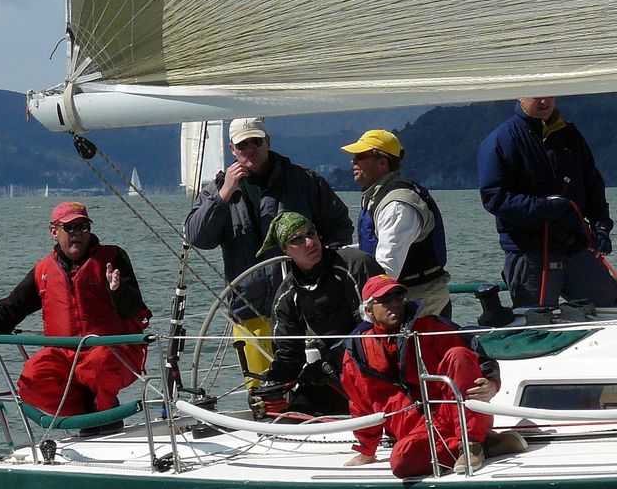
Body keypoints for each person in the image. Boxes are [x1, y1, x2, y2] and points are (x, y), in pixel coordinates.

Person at [183, 117, 353, 380]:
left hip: (307, 304)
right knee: (263, 392)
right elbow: (197, 238)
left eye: (256, 141)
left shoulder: (304, 181)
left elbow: (339, 226)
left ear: (268, 141)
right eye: (243, 145)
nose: (250, 149)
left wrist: (321, 267)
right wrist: (223, 196)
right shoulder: (217, 189)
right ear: (232, 149)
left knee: (322, 385)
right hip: (250, 310)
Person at [0, 201, 151, 421]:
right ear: (54, 232)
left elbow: (133, 309)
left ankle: (105, 413)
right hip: (66, 356)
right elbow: (13, 306)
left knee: (96, 365)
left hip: (114, 351)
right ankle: (88, 415)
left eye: (83, 227)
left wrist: (117, 290)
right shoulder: (43, 270)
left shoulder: (113, 258)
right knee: (32, 380)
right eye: (70, 227)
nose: (78, 233)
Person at [341, 275, 506, 478]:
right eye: (385, 300)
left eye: (398, 297)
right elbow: (360, 403)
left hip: (457, 415)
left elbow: (477, 357)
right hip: (416, 431)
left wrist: (492, 384)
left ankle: (471, 443)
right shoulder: (357, 351)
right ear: (369, 310)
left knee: (458, 354)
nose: (394, 304)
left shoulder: (432, 328)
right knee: (401, 462)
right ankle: (487, 445)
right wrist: (367, 450)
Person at [477, 95, 617, 309]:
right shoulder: (501, 140)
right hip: (530, 252)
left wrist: (601, 226)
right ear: (520, 96)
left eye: (548, 94)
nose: (544, 101)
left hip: (575, 244)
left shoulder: (569, 134)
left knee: (608, 307)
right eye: (537, 95)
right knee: (536, 320)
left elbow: (593, 185)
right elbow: (494, 198)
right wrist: (545, 208)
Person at [257, 212, 381, 416]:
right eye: (297, 240)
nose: (310, 242)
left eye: (311, 233)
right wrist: (268, 389)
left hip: (377, 369)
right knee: (294, 414)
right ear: (285, 250)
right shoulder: (287, 295)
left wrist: (328, 364)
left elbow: (376, 328)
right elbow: (288, 355)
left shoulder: (355, 265)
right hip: (335, 373)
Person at [340, 128, 452, 318]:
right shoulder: (381, 196)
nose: (353, 161)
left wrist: (366, 313)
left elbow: (388, 266)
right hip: (400, 301)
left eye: (360, 156)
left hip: (419, 304)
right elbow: (376, 245)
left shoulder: (397, 205)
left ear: (382, 163)